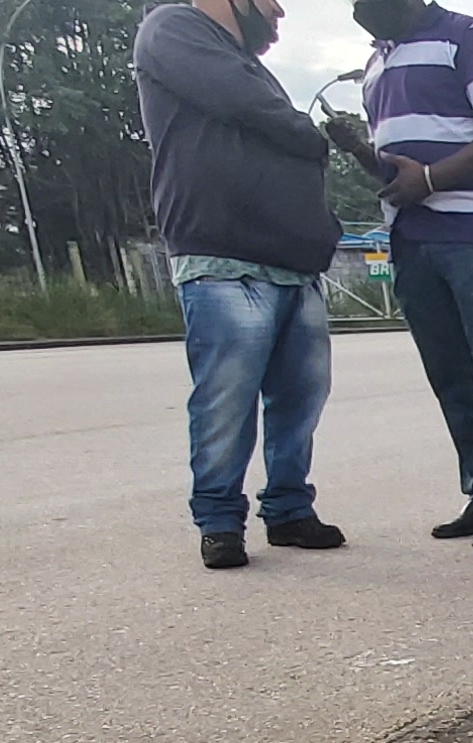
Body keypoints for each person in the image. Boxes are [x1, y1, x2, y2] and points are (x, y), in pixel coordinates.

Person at [132, 0, 347, 571]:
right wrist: (309, 133)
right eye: (271, 0)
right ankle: (220, 521)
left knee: (300, 396)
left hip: (291, 261)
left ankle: (288, 508)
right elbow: (244, 105)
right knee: (226, 397)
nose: (278, 12)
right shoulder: (174, 28)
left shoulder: (243, 60)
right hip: (226, 256)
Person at [326, 0, 473, 551]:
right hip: (410, 237)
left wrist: (430, 179)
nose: (357, 9)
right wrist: (357, 147)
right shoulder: (376, 63)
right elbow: (394, 167)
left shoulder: (464, 36)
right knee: (449, 373)